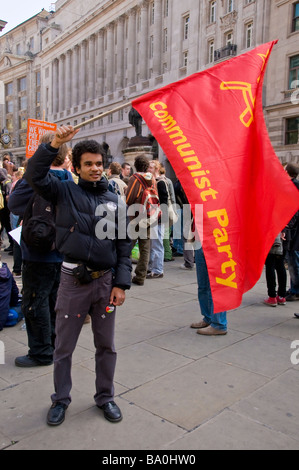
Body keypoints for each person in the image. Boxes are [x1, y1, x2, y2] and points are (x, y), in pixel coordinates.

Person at [24, 125, 132, 426]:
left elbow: (125, 244)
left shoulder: (115, 200)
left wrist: (121, 284)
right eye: (88, 164)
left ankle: (106, 397)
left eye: (99, 163)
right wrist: (54, 144)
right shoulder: (63, 190)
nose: (95, 169)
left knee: (107, 345)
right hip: (72, 282)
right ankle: (60, 400)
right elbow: (34, 175)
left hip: (106, 284)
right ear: (77, 166)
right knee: (63, 346)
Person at [8, 133, 72, 368]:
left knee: (35, 301)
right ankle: (54, 346)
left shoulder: (35, 178)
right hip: (62, 249)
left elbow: (14, 204)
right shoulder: (69, 177)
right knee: (55, 300)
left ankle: (41, 352)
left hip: (38, 251)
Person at [126, 155, 154, 286]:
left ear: (135, 165)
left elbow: (128, 199)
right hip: (148, 216)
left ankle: (125, 274)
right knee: (145, 248)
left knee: (128, 246)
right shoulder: (151, 178)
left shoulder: (134, 178)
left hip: (135, 216)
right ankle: (141, 276)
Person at [191, 245, 227, 335]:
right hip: (200, 241)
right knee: (203, 285)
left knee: (217, 286)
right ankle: (208, 318)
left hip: (216, 242)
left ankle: (219, 324)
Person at [147, 160, 167, 279]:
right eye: (148, 167)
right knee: (154, 243)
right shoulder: (154, 182)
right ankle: (153, 268)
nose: (149, 169)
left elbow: (164, 201)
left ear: (156, 169)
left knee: (157, 243)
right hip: (154, 215)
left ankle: (158, 269)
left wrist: (159, 215)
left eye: (151, 167)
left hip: (158, 216)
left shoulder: (160, 182)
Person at [283, 163, 299, 301]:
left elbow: (294, 210)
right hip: (293, 230)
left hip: (294, 231)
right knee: (292, 260)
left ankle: (295, 290)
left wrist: (287, 226)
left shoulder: (293, 186)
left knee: (293, 260)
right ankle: (294, 288)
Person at [263, 233, 287, 306]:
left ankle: (272, 296)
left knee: (270, 267)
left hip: (272, 238)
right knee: (281, 267)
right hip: (284, 239)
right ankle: (281, 296)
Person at [0, 168, 13, 253]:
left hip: (6, 210)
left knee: (8, 227)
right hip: (2, 210)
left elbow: (8, 197)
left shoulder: (7, 184)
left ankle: (12, 244)